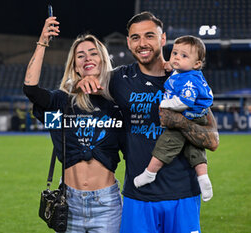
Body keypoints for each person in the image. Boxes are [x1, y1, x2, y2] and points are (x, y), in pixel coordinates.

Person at [77, 12, 219, 233]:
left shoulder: (184, 78)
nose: (142, 43)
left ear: (162, 39)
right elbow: (79, 83)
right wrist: (83, 79)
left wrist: (179, 122)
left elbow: (212, 139)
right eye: (135, 38)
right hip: (138, 197)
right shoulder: (118, 79)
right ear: (128, 42)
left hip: (183, 195)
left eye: (149, 36)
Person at [23, 16, 123, 233]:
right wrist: (42, 42)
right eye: (80, 55)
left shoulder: (117, 102)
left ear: (103, 60)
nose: (87, 57)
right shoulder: (62, 103)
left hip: (106, 204)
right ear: (75, 66)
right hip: (69, 204)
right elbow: (31, 89)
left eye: (93, 52)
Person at [133, 35, 214, 202]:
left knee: (167, 143)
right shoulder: (187, 72)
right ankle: (203, 178)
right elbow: (177, 68)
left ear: (197, 64)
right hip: (198, 117)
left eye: (184, 56)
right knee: (195, 149)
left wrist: (165, 103)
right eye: (175, 53)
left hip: (187, 116)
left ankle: (150, 173)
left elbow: (184, 101)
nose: (177, 57)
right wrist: (172, 65)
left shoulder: (189, 80)